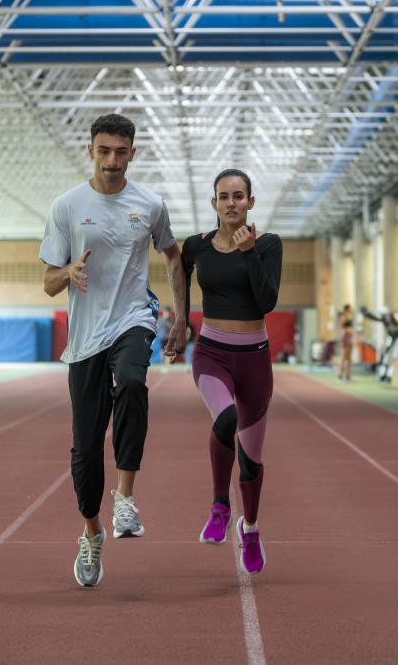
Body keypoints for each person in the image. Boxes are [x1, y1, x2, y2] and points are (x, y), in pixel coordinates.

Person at [39, 113, 187, 588]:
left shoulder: (149, 204)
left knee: (132, 381)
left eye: (121, 152)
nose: (112, 160)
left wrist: (182, 317)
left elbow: (173, 254)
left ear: (133, 153)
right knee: (84, 452)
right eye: (104, 151)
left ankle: (125, 499)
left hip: (132, 319)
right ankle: (91, 530)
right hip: (85, 338)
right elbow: (47, 282)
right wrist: (69, 275)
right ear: (90, 151)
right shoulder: (66, 206)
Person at [181, 169, 282, 574]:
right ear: (214, 204)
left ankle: (251, 527)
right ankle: (220, 506)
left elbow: (268, 301)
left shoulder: (269, 244)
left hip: (255, 358)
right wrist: (178, 322)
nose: (232, 203)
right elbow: (178, 274)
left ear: (251, 202)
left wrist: (249, 252)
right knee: (225, 418)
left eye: (239, 196)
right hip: (212, 354)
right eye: (224, 196)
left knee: (252, 460)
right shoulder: (197, 247)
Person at [338, 307, 354, 382]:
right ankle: (340, 376)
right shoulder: (344, 317)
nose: (352, 309)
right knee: (343, 358)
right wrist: (341, 339)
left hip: (349, 338)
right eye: (351, 308)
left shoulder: (349, 318)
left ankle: (348, 376)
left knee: (349, 359)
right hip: (345, 338)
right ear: (347, 309)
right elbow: (342, 328)